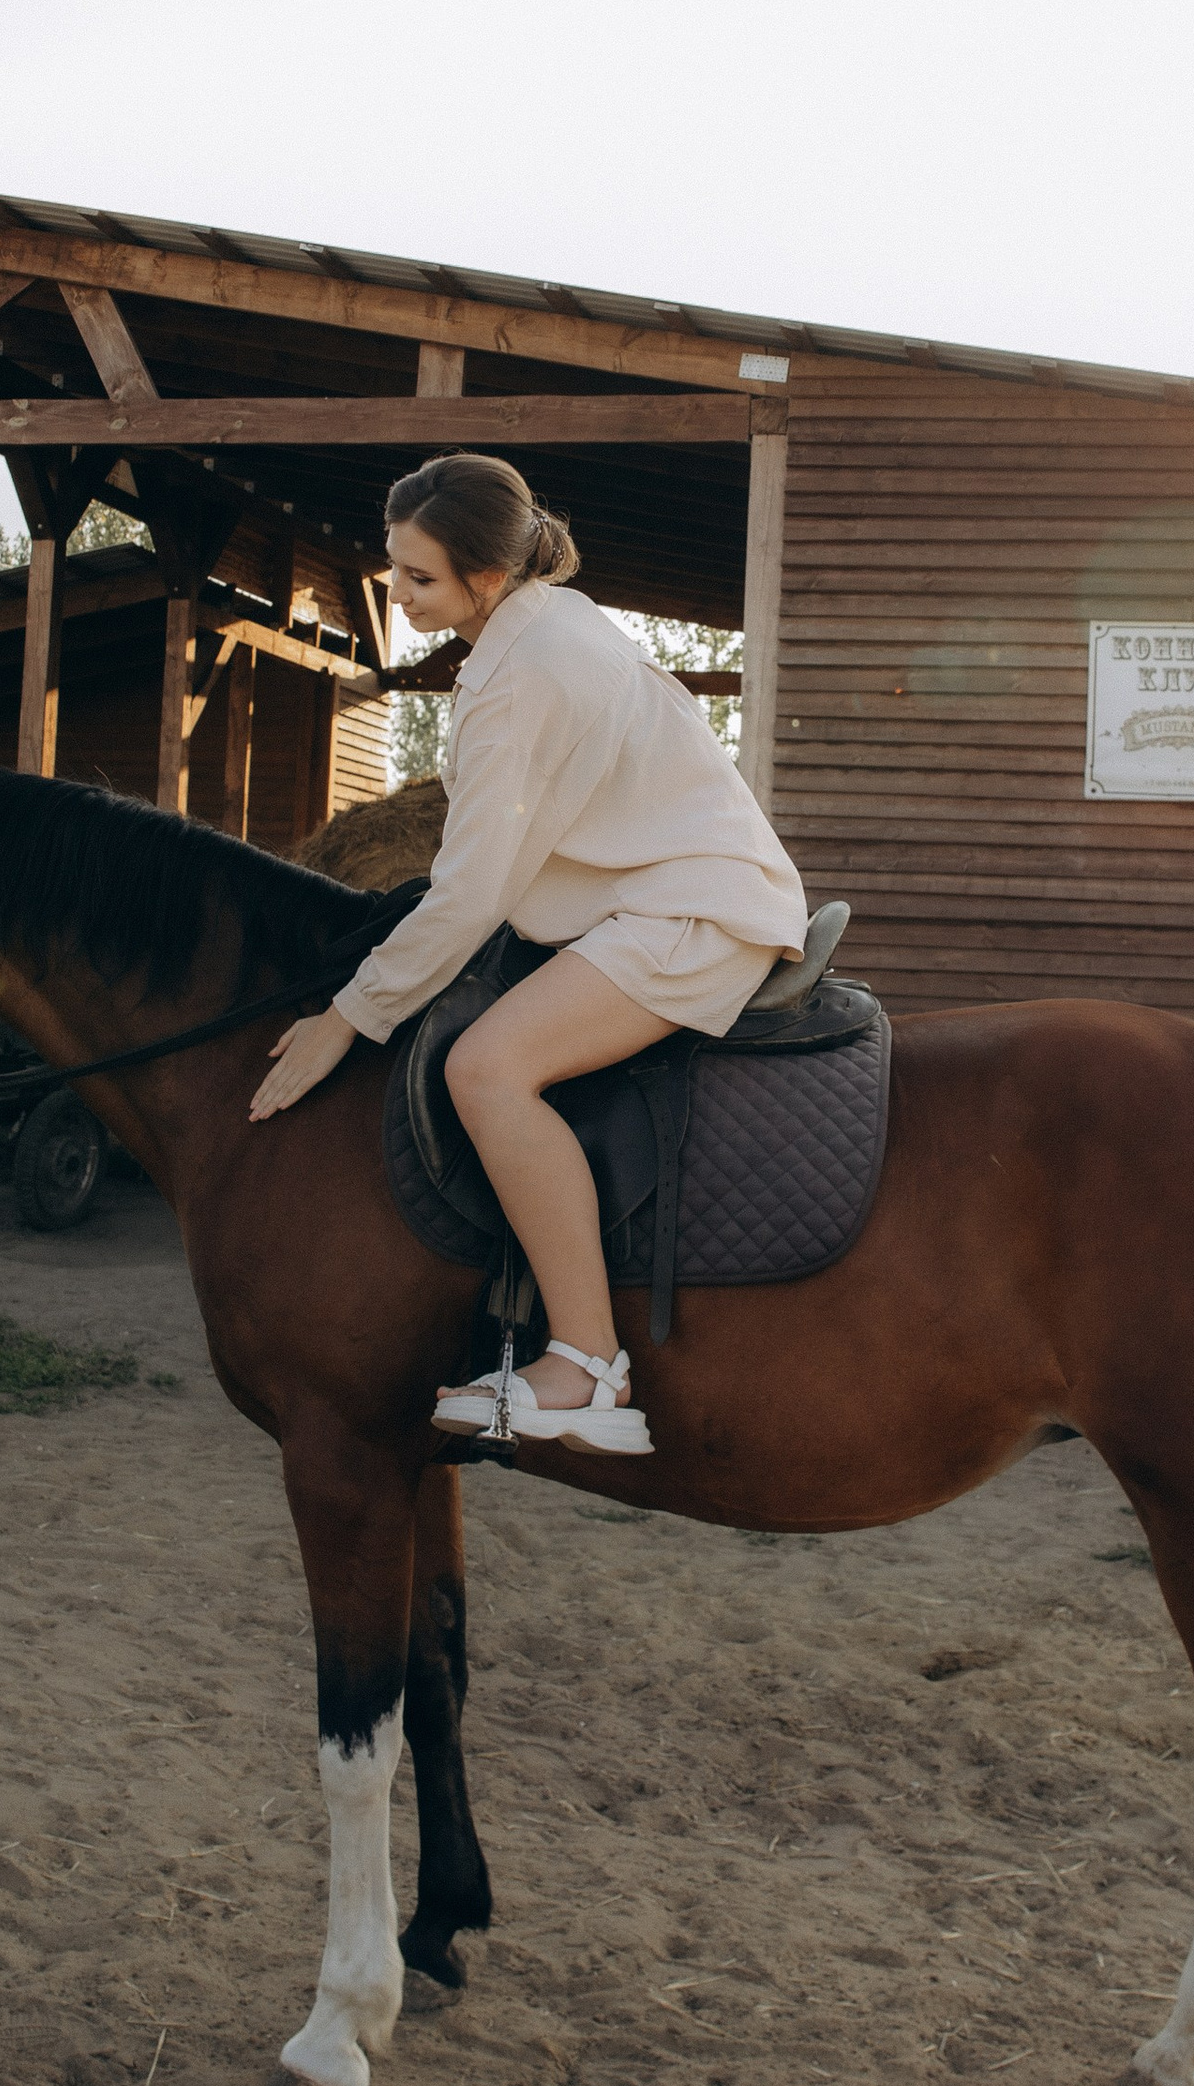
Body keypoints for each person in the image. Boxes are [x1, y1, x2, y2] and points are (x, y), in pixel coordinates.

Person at [248, 450, 807, 1454]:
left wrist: (349, 1016)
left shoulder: (523, 676)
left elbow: (472, 890)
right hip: (649, 893)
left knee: (488, 1069)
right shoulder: (548, 621)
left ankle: (588, 1366)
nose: (398, 591)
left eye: (419, 576)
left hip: (688, 913)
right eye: (394, 566)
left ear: (488, 575)